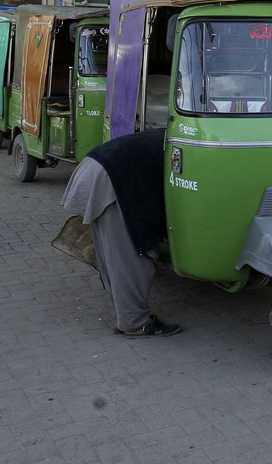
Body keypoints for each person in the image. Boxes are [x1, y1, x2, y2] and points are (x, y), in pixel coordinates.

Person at [60, 129, 182, 337]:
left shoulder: (176, 135)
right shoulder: (191, 147)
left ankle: (122, 316)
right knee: (132, 256)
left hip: (96, 167)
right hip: (112, 178)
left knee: (111, 255)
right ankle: (135, 323)